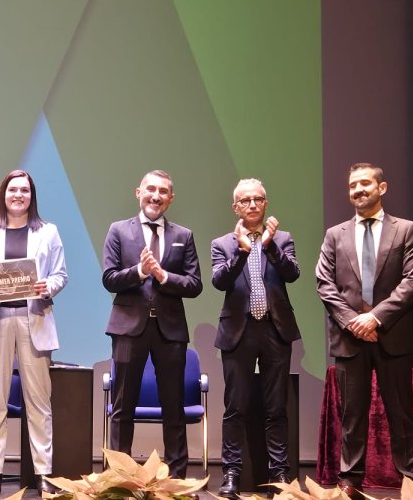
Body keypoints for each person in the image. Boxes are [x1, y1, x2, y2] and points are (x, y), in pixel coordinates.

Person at [315, 163, 413, 498]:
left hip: (393, 336)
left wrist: (374, 318)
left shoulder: (406, 230)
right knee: (352, 416)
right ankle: (350, 480)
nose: (358, 190)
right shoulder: (335, 234)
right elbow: (324, 284)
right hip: (350, 339)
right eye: (352, 185)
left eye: (365, 183)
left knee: (401, 414)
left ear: (382, 188)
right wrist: (354, 322)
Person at [0, 170, 69, 496]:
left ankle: (42, 473)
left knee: (39, 403)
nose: (19, 195)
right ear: (4, 194)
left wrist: (47, 285)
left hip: (33, 320)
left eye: (25, 190)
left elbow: (60, 274)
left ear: (31, 196)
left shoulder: (48, 232)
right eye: (13, 190)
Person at [101, 169, 202, 478]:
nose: (156, 196)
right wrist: (141, 272)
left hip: (170, 332)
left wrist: (163, 276)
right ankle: (119, 478)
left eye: (163, 192)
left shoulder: (182, 235)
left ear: (170, 199)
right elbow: (109, 278)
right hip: (128, 328)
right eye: (151, 189)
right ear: (138, 192)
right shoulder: (119, 230)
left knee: (174, 408)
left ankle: (177, 479)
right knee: (122, 408)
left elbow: (195, 284)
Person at [210, 179, 301, 497]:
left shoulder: (283, 238)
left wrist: (270, 244)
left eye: (258, 199)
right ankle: (231, 474)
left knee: (277, 407)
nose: (252, 204)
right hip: (238, 331)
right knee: (235, 407)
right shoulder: (222, 243)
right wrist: (241, 251)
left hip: (275, 329)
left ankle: (280, 475)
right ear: (235, 207)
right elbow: (220, 281)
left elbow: (292, 274)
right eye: (245, 200)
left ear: (266, 203)